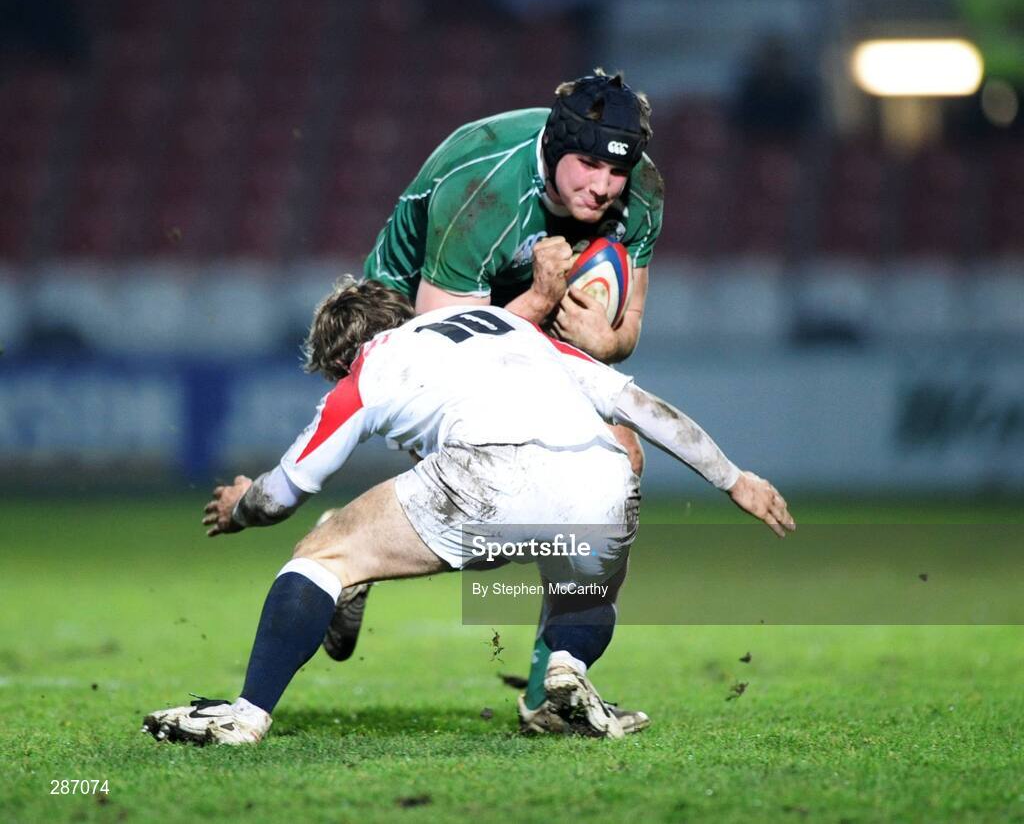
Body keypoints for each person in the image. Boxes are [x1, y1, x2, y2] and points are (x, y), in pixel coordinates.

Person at [141, 278, 795, 746]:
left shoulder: (370, 367)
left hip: (486, 474)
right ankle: (557, 681)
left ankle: (246, 716)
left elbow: (284, 491)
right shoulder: (514, 329)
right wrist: (734, 479)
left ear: (343, 357)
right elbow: (641, 407)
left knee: (322, 554)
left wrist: (240, 508)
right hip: (604, 475)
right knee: (579, 591)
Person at [357, 69, 664, 710]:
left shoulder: (642, 193)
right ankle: (347, 558)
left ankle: (551, 689)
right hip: (413, 320)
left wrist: (600, 342)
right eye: (586, 166)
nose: (603, 187)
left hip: (531, 305)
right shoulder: (481, 190)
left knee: (620, 460)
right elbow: (448, 348)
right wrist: (542, 299)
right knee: (489, 495)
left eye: (616, 173)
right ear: (554, 148)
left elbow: (627, 327)